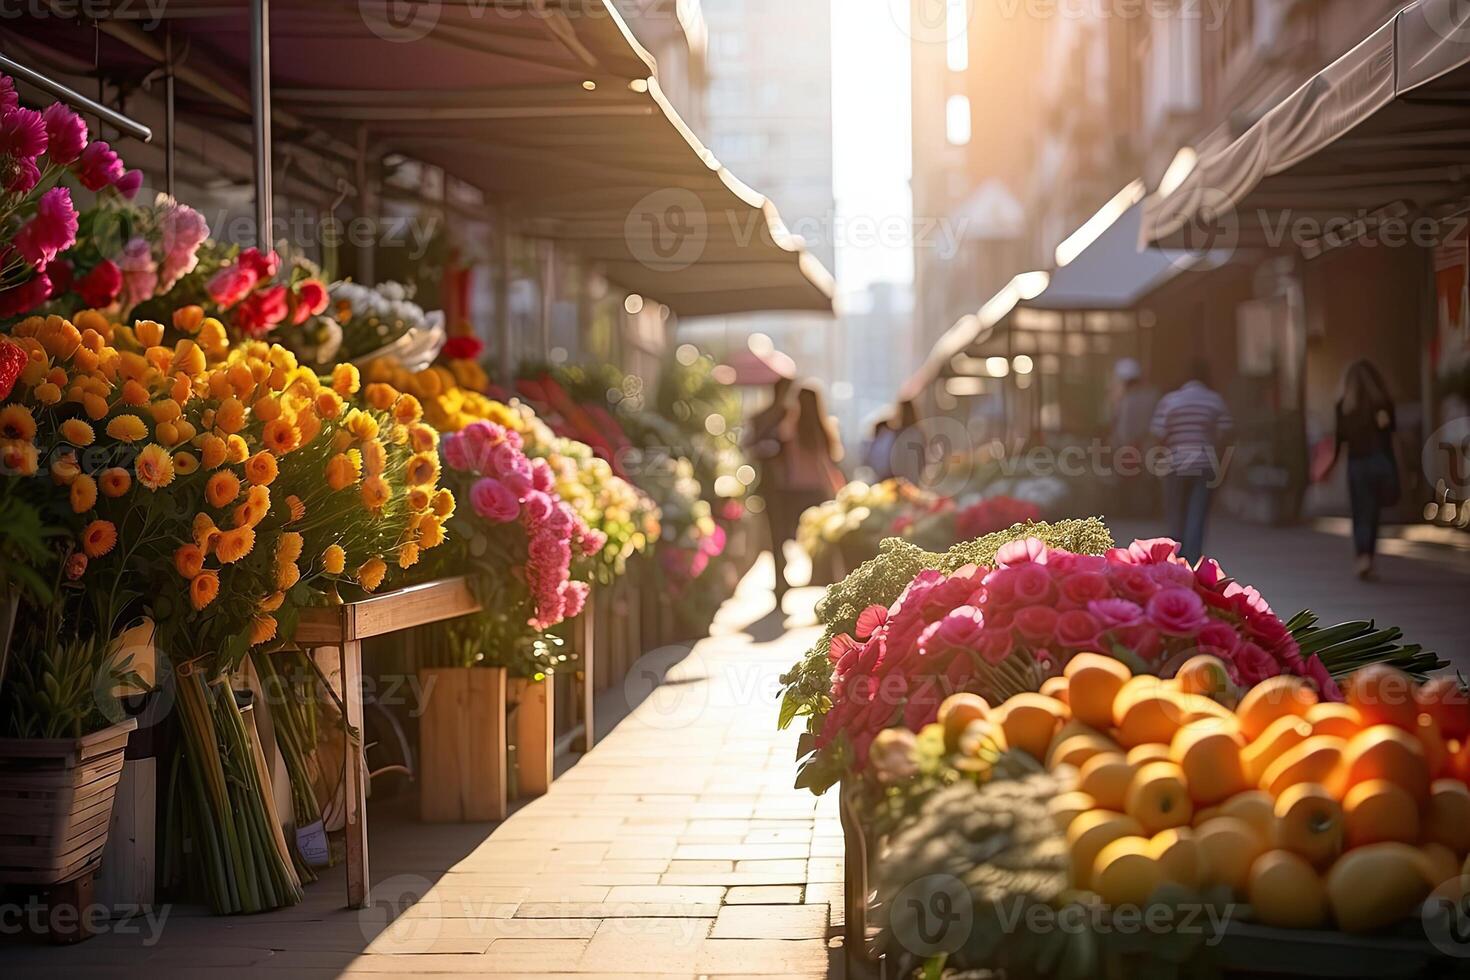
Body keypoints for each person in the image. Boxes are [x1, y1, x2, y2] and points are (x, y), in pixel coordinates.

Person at [1150, 358, 1234, 563]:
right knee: (1197, 515)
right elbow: (1226, 432)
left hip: (1175, 465)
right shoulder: (1214, 400)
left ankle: (1174, 559)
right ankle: (1193, 562)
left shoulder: (1170, 400)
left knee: (1175, 515)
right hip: (1204, 464)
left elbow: (1158, 434)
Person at [769, 384, 846, 600]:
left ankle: (783, 577)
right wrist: (837, 490)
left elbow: (781, 460)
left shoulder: (789, 427)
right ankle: (825, 585)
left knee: (786, 537)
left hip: (792, 490)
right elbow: (828, 464)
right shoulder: (824, 428)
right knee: (821, 540)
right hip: (817, 491)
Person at [1324, 360, 1398, 579]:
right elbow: (1389, 435)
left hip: (1356, 465)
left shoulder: (1344, 407)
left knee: (1359, 513)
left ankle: (1362, 556)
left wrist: (1330, 467)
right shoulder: (1382, 404)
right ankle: (1369, 557)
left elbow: (1340, 442)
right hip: (1378, 461)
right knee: (1372, 513)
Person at [745, 377, 796, 594]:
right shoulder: (769, 417)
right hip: (776, 483)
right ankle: (780, 575)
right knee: (777, 531)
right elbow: (749, 444)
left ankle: (782, 568)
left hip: (790, 484)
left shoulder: (791, 416)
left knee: (783, 531)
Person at [1108, 358, 1159, 518]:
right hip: (1148, 446)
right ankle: (1149, 511)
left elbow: (1121, 427)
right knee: (1147, 480)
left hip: (1129, 446)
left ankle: (1129, 511)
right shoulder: (1153, 396)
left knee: (1128, 481)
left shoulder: (1126, 400)